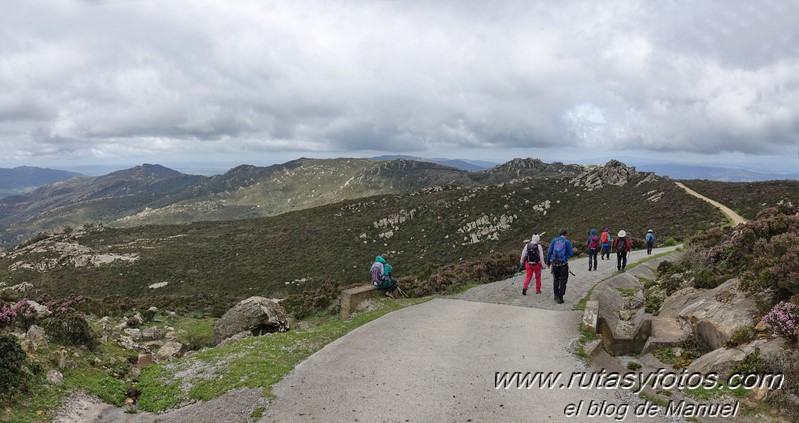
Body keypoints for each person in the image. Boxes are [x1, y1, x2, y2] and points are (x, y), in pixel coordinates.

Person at [545, 228, 574, 304]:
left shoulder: (554, 240)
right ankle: (560, 298)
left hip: (554, 264)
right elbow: (571, 254)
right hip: (563, 264)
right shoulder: (567, 242)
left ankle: (556, 295)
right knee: (563, 281)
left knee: (556, 279)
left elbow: (549, 252)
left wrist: (548, 263)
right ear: (566, 234)